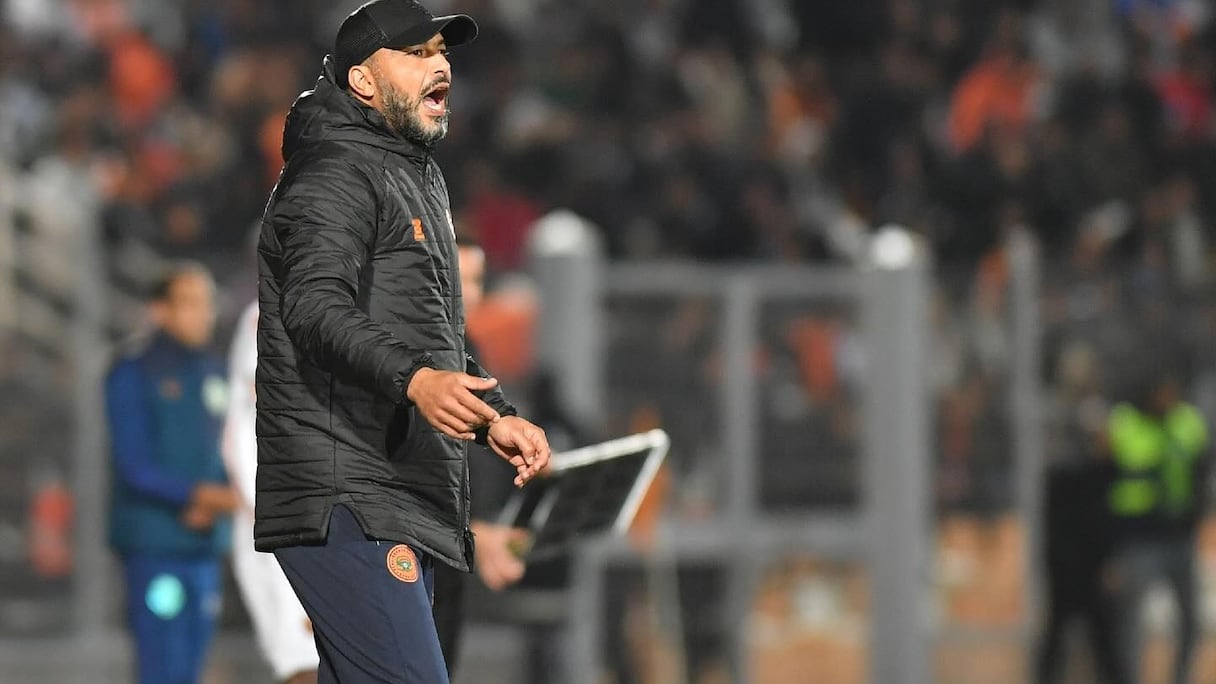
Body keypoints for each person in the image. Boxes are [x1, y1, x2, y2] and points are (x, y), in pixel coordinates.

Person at [253, 2, 552, 682]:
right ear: (362, 81)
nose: (439, 64)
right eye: (415, 54)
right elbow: (313, 308)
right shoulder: (334, 170)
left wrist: (493, 416)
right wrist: (418, 381)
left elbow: (426, 338)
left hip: (397, 489)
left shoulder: (413, 175)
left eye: (441, 51)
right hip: (347, 492)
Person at [104, 263, 239, 684]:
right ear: (159, 310)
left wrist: (221, 496)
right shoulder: (133, 372)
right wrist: (196, 496)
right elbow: (134, 464)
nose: (203, 314)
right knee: (162, 666)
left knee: (192, 665)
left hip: (204, 546)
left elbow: (227, 449)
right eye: (189, 303)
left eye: (206, 303)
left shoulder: (216, 372)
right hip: (157, 543)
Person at [431, 239, 533, 675]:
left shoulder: (464, 343)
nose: (470, 293)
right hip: (405, 551)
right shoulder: (413, 356)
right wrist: (475, 529)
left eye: (477, 280)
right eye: (459, 279)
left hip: (448, 551)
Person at [222, 302, 319, 684]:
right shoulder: (267, 313)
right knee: (302, 660)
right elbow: (249, 410)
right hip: (280, 517)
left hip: (336, 512)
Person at [1104, 357, 1210, 684]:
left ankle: (1180, 678)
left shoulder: (1188, 423)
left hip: (1179, 536)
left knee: (1190, 619)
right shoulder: (1124, 424)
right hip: (1139, 539)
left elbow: (1201, 471)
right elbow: (1106, 479)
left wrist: (1197, 512)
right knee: (1132, 621)